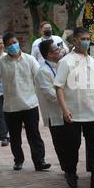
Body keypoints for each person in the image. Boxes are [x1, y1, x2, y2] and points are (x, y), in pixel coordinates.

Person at [0, 32, 51, 171]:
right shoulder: (1, 63)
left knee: (34, 135)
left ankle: (40, 161)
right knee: (15, 137)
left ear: (18, 43)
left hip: (30, 104)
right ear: (5, 47)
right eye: (9, 44)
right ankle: (18, 160)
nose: (12, 46)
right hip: (11, 107)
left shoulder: (30, 60)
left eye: (14, 43)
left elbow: (40, 78)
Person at [54, 27, 94, 188]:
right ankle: (70, 172)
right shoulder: (65, 62)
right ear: (75, 40)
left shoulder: (92, 60)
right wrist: (64, 110)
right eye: (83, 39)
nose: (86, 41)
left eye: (87, 38)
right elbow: (58, 87)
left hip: (91, 110)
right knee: (72, 145)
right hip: (73, 111)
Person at [35, 39, 67, 172]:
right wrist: (68, 99)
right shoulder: (43, 71)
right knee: (61, 143)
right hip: (54, 114)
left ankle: (69, 167)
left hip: (66, 111)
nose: (59, 52)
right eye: (56, 50)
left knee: (70, 143)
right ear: (49, 55)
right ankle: (67, 169)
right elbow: (50, 94)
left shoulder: (61, 65)